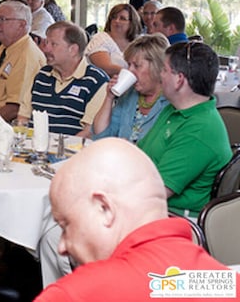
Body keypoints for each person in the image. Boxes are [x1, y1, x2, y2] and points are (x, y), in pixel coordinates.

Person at [35, 137, 237, 302]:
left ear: (104, 208)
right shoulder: (225, 284)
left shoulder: (74, 295)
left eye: (66, 225)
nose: (62, 246)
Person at [138, 41, 232, 218]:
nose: (160, 75)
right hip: (153, 207)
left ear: (179, 79)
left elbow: (155, 192)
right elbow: (140, 154)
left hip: (174, 219)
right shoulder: (174, 110)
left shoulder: (199, 129)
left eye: (164, 70)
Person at [19, 21, 108, 137]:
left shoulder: (97, 81)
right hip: (32, 148)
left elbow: (89, 132)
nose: (46, 49)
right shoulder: (42, 75)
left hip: (70, 152)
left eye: (53, 44)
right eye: (46, 43)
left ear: (73, 50)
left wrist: (58, 151)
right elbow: (23, 118)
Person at [92, 34, 170, 143]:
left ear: (157, 67)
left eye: (137, 66)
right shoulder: (129, 95)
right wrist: (109, 97)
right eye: (129, 65)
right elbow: (100, 135)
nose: (130, 70)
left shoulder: (171, 100)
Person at [85, 3, 143, 76]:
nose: (117, 21)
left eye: (122, 18)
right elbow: (106, 68)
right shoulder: (101, 38)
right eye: (114, 17)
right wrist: (133, 74)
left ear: (132, 23)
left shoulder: (139, 41)